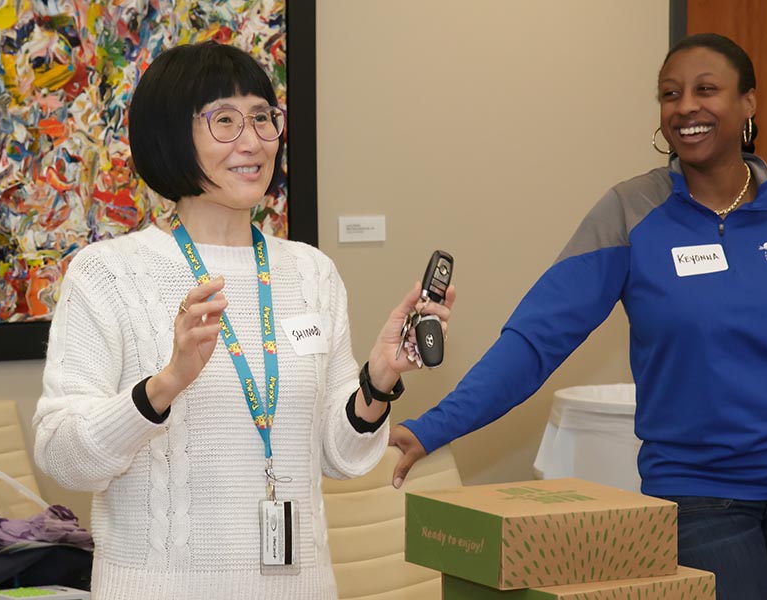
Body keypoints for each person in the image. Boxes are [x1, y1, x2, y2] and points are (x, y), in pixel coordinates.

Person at [33, 41, 454, 600]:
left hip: (300, 587)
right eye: (224, 121)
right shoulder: (108, 273)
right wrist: (165, 384)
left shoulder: (311, 273)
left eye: (262, 118)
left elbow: (341, 456)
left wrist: (377, 381)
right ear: (171, 135)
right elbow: (63, 455)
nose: (252, 142)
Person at [389, 33, 767, 600]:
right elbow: (535, 341)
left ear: (748, 103)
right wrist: (434, 427)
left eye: (706, 89)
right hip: (702, 500)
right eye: (670, 94)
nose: (686, 107)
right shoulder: (631, 212)